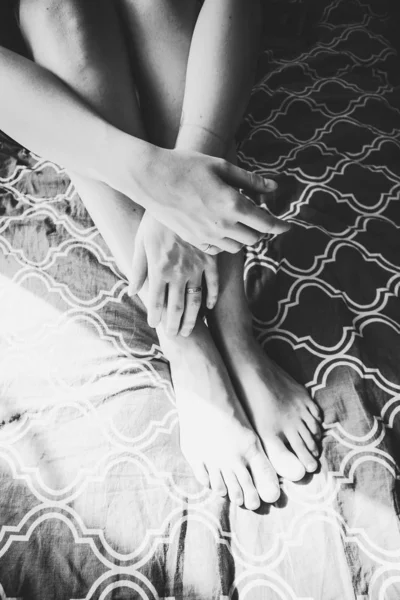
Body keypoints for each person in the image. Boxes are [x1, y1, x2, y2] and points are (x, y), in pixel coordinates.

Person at [0, 0, 322, 511]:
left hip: (190, 42)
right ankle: (188, 346)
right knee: (56, 9)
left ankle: (236, 334)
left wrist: (192, 156)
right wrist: (151, 179)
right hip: (45, 79)